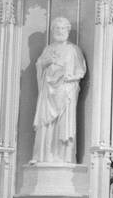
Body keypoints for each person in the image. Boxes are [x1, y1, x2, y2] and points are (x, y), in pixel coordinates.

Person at [33, 16, 86, 163]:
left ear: (68, 31)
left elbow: (80, 71)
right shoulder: (48, 49)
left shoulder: (73, 50)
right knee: (46, 123)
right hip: (48, 93)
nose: (60, 31)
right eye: (57, 28)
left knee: (64, 124)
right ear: (52, 30)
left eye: (63, 28)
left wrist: (70, 78)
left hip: (65, 91)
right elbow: (39, 65)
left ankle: (64, 157)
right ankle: (44, 156)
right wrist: (46, 62)